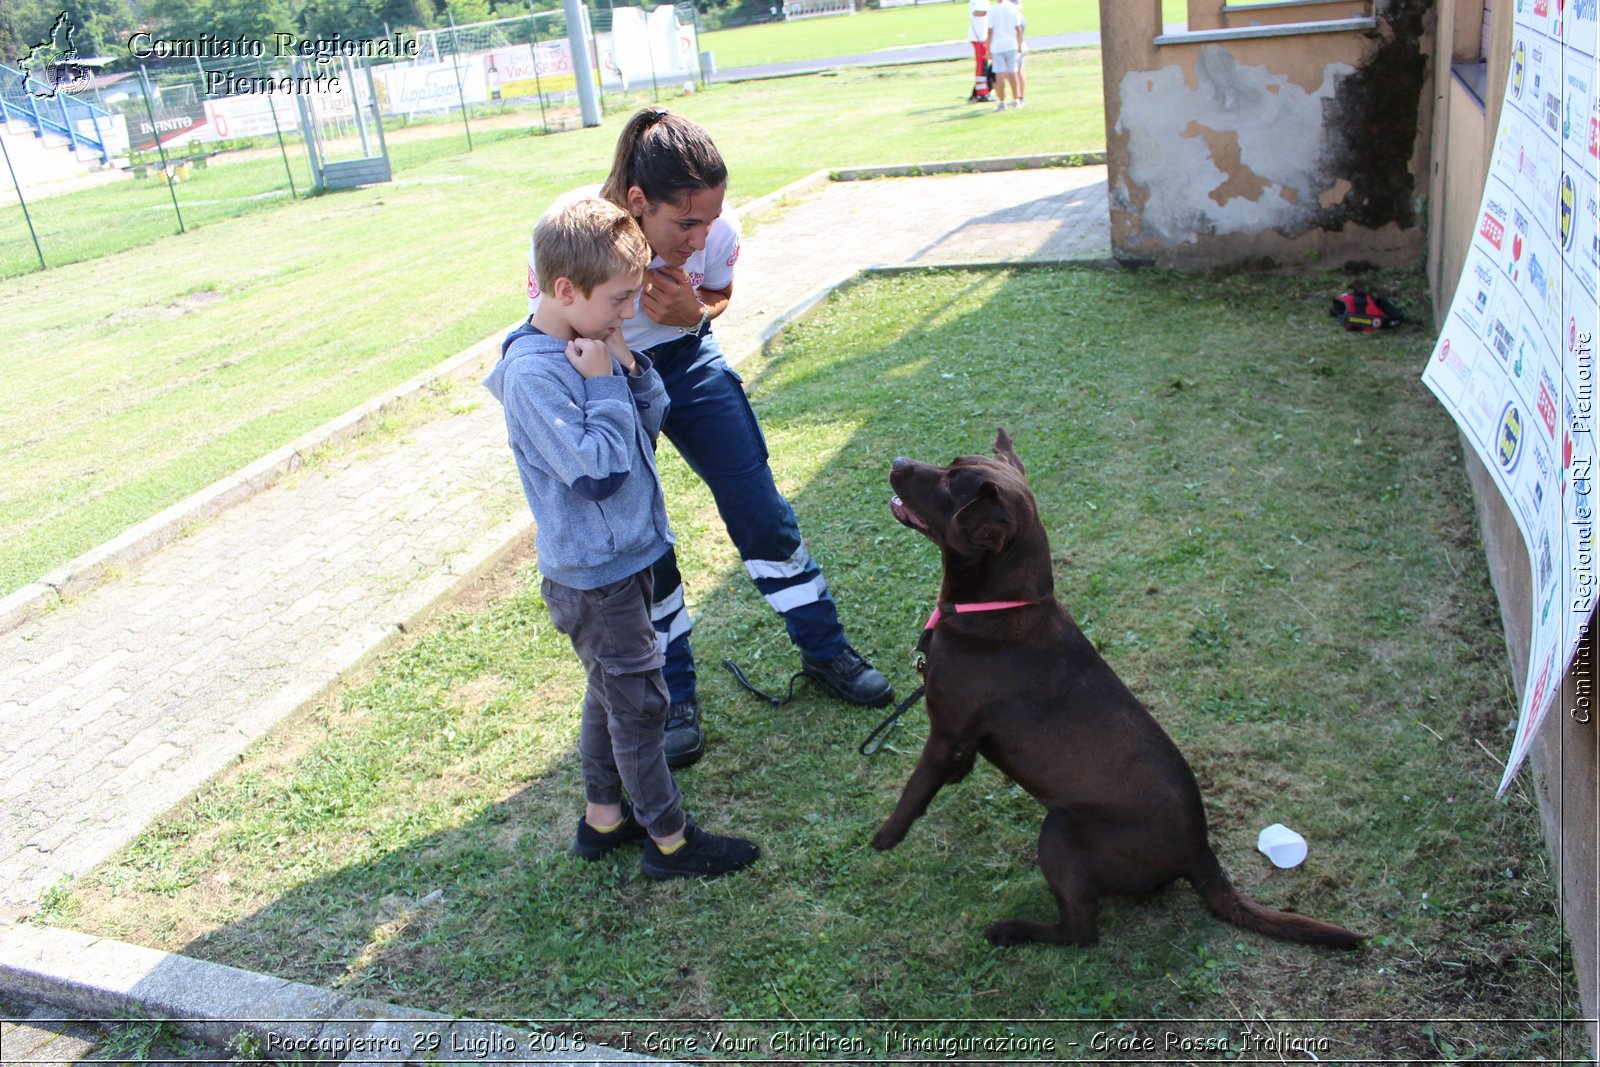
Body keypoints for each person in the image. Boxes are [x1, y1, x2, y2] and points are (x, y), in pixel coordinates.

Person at [527, 108, 893, 770]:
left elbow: (719, 291)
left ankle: (825, 648)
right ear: (637, 204)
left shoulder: (717, 232)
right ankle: (677, 698)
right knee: (645, 539)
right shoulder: (573, 229)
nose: (700, 237)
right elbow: (545, 325)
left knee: (760, 508)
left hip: (690, 362)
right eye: (685, 223)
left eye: (710, 219)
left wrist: (697, 314)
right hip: (604, 380)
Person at [487, 196, 760, 880]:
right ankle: (668, 839)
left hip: (628, 556)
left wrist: (630, 374)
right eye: (618, 301)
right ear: (563, 289)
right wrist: (605, 382)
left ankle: (603, 817)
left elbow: (650, 420)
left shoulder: (593, 342)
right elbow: (598, 472)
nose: (627, 316)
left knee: (610, 689)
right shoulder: (536, 372)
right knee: (640, 704)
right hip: (597, 574)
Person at [985, 0, 1022, 111]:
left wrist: (988, 47)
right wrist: (1019, 44)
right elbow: (1018, 29)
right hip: (1011, 43)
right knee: (1013, 72)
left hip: (997, 45)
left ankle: (1001, 101)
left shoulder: (992, 10)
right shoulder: (1013, 8)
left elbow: (990, 31)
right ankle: (1016, 99)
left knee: (999, 72)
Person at [966, 0, 991, 102]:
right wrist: (991, 11)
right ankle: (981, 93)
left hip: (983, 37)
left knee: (983, 65)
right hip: (978, 38)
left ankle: (982, 91)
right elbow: (976, 12)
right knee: (981, 66)